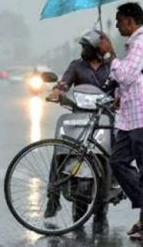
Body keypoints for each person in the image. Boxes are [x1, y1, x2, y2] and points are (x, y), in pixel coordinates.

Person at [99, 2, 143, 241]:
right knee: (118, 161)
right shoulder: (134, 45)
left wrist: (110, 55)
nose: (117, 24)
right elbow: (131, 79)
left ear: (130, 21)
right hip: (130, 119)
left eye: (119, 20)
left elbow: (126, 75)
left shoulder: (141, 43)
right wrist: (118, 96)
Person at [44, 30, 112, 222]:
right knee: (60, 152)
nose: (83, 50)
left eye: (87, 47)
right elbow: (64, 83)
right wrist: (57, 91)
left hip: (104, 120)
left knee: (109, 158)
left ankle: (105, 199)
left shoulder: (112, 67)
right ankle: (53, 196)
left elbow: (121, 86)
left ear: (97, 49)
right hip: (79, 119)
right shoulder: (76, 66)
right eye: (82, 47)